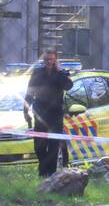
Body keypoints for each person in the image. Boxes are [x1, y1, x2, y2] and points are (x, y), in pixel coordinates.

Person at [24, 50, 73, 178]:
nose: (49, 62)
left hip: (55, 115)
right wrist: (25, 111)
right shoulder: (37, 72)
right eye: (47, 59)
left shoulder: (61, 73)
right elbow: (29, 93)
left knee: (53, 146)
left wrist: (61, 71)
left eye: (51, 59)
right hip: (40, 113)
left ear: (56, 60)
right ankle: (44, 168)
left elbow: (68, 86)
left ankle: (48, 174)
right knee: (39, 146)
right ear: (43, 60)